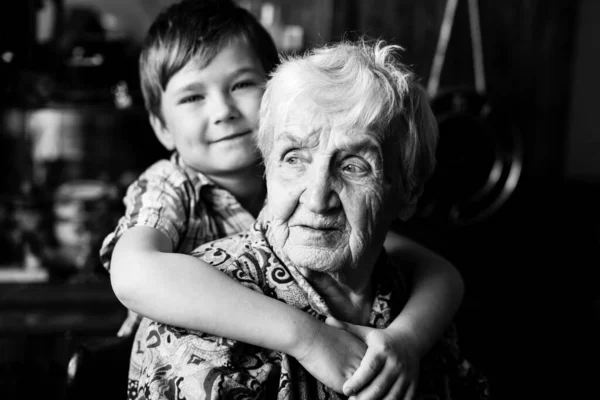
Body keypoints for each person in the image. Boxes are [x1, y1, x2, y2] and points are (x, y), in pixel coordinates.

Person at [100, 1, 465, 398]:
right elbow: (134, 275)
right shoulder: (171, 186)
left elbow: (435, 271)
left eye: (241, 85)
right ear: (161, 127)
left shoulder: (314, 206)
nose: (223, 111)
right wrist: (307, 337)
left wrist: (408, 337)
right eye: (192, 98)